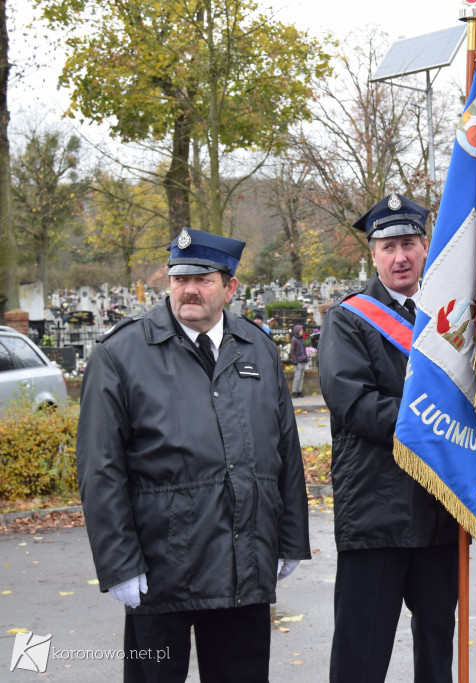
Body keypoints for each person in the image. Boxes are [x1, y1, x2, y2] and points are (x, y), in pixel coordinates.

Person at [75, 227, 310, 682]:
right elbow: (100, 468)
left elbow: (285, 450)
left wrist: (291, 538)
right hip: (161, 572)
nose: (189, 289)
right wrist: (119, 564)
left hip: (245, 568)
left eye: (203, 278)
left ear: (230, 287)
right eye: (180, 278)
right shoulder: (121, 353)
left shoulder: (257, 348)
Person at [318, 192, 459, 683]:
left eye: (409, 243)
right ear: (372, 255)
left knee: (437, 648)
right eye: (388, 247)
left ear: (425, 248)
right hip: (377, 513)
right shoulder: (349, 319)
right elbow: (353, 405)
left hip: (441, 511)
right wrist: (438, 421)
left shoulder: (452, 317)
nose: (400, 257)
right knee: (363, 653)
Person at [290, 323, 308, 397]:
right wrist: (294, 360)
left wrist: (306, 357)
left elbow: (304, 349)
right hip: (298, 361)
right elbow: (292, 351)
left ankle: (299, 391)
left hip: (303, 360)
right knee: (297, 376)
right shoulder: (294, 340)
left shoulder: (302, 340)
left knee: (302, 376)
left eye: (302, 330)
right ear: (297, 331)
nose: (302, 332)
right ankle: (294, 391)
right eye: (300, 330)